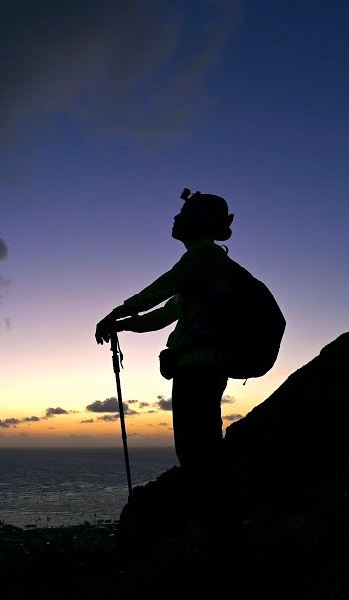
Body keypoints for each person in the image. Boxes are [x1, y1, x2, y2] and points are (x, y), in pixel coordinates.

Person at [95, 188, 253, 571]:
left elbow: (159, 289)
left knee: (199, 455)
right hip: (196, 368)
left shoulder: (202, 256)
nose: (175, 219)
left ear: (198, 221)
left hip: (198, 369)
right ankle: (225, 541)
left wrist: (116, 313)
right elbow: (164, 314)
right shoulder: (201, 273)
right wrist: (124, 324)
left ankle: (228, 548)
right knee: (200, 453)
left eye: (183, 214)